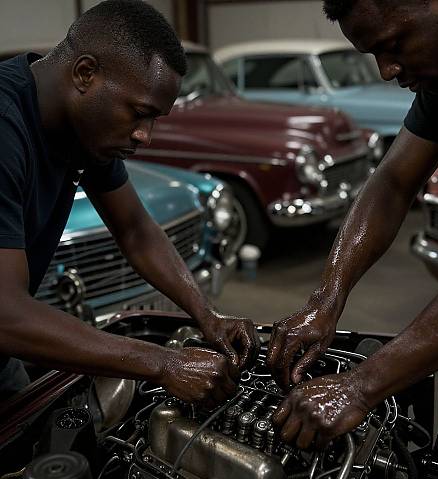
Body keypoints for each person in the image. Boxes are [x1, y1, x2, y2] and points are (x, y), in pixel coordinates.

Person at [268, 0, 438, 479]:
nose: (387, 71)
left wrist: (359, 387)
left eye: (394, 45)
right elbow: (393, 181)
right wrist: (327, 297)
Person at [0, 0, 258, 404]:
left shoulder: (82, 129)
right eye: (140, 113)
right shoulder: (5, 127)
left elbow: (135, 230)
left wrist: (208, 317)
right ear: (85, 73)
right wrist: (162, 362)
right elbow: (6, 313)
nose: (145, 136)